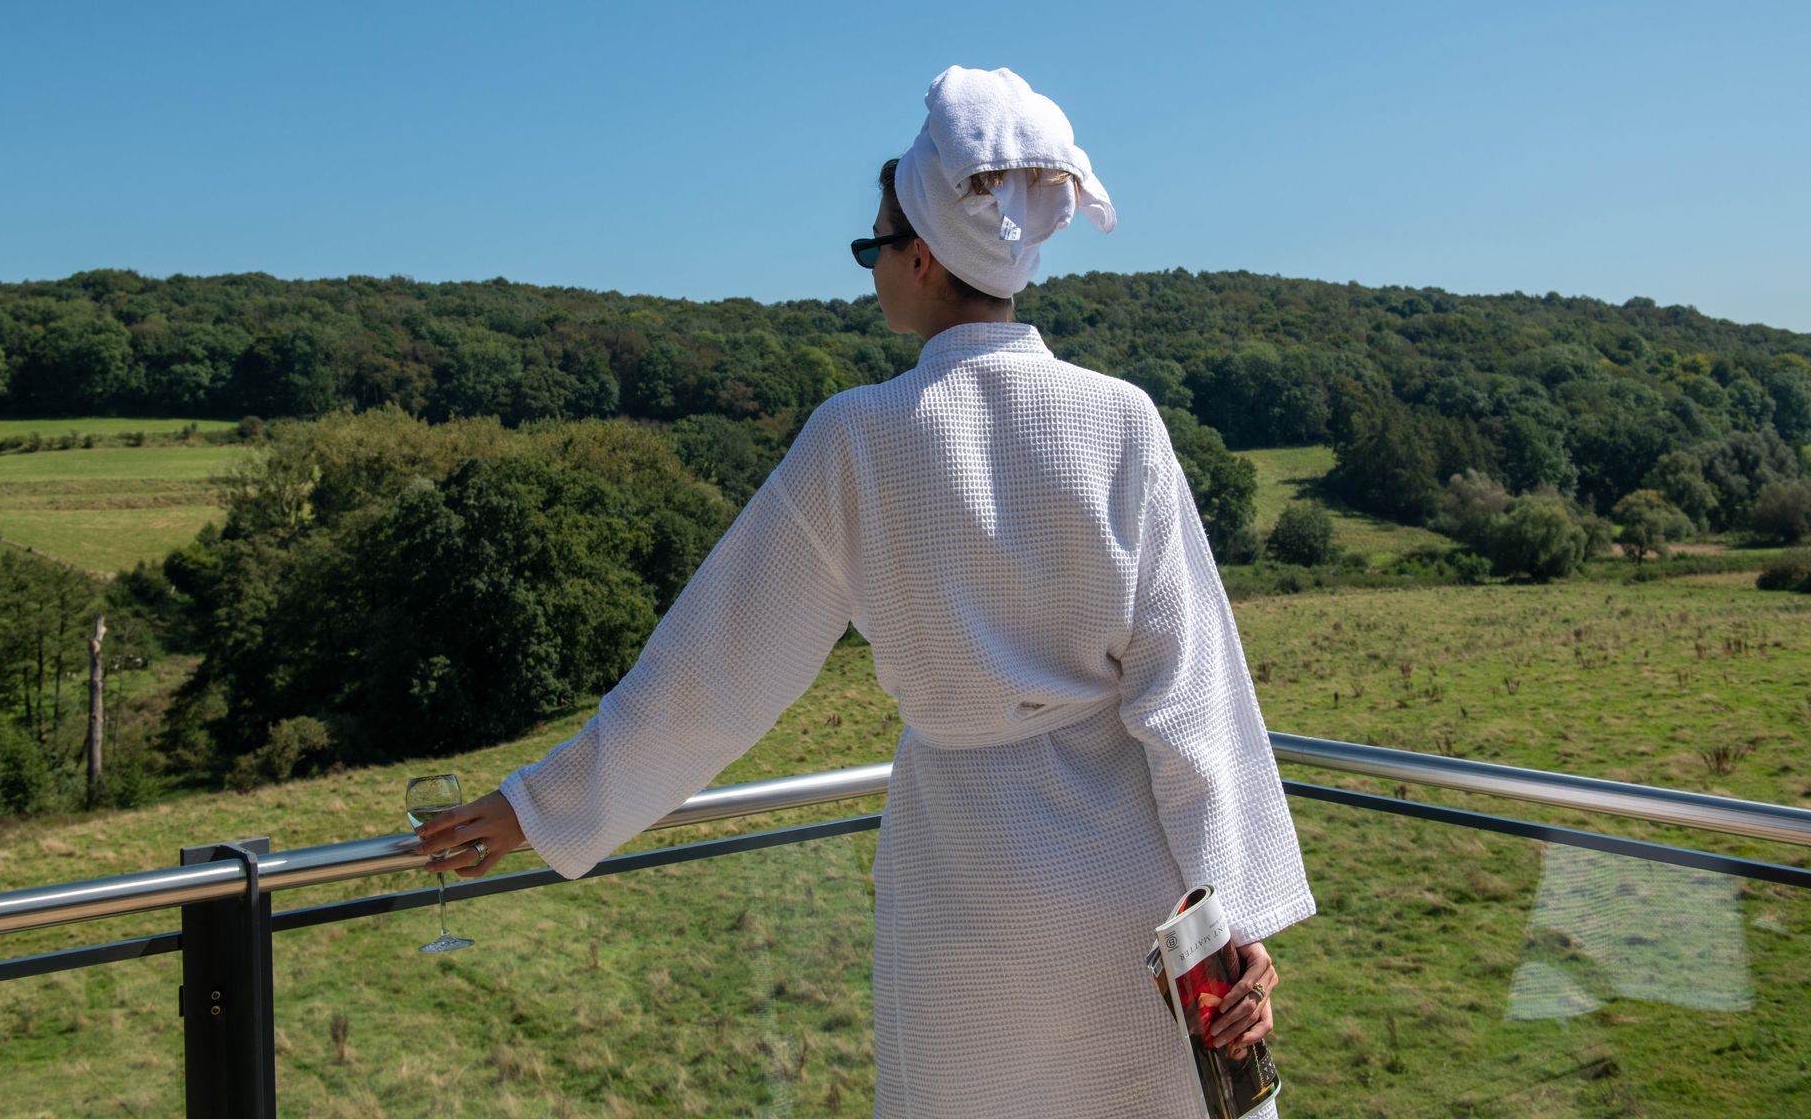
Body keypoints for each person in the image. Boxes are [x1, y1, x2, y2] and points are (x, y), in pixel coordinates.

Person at [418, 66, 1315, 1117]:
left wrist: (538, 808)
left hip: (962, 894)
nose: (871, 267)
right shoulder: (1123, 420)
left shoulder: (859, 437)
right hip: (1134, 901)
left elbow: (714, 673)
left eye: (874, 246)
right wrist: (1235, 918)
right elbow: (1193, 697)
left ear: (922, 253)